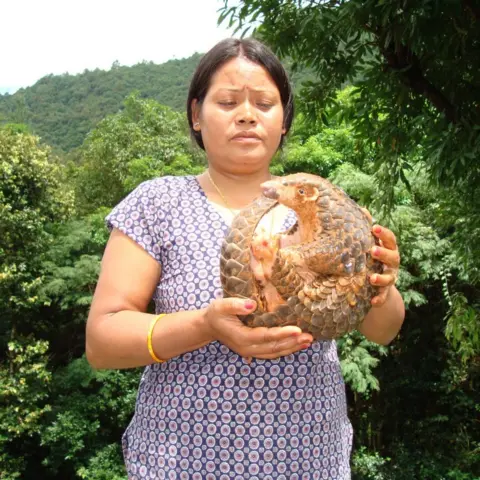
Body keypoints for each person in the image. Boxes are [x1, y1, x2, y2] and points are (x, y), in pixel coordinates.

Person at [86, 38, 405, 480]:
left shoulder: (317, 202)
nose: (247, 114)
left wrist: (380, 285)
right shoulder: (158, 203)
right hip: (180, 463)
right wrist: (205, 327)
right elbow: (102, 341)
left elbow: (383, 331)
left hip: (310, 460)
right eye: (228, 101)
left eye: (264, 103)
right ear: (197, 115)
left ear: (284, 120)